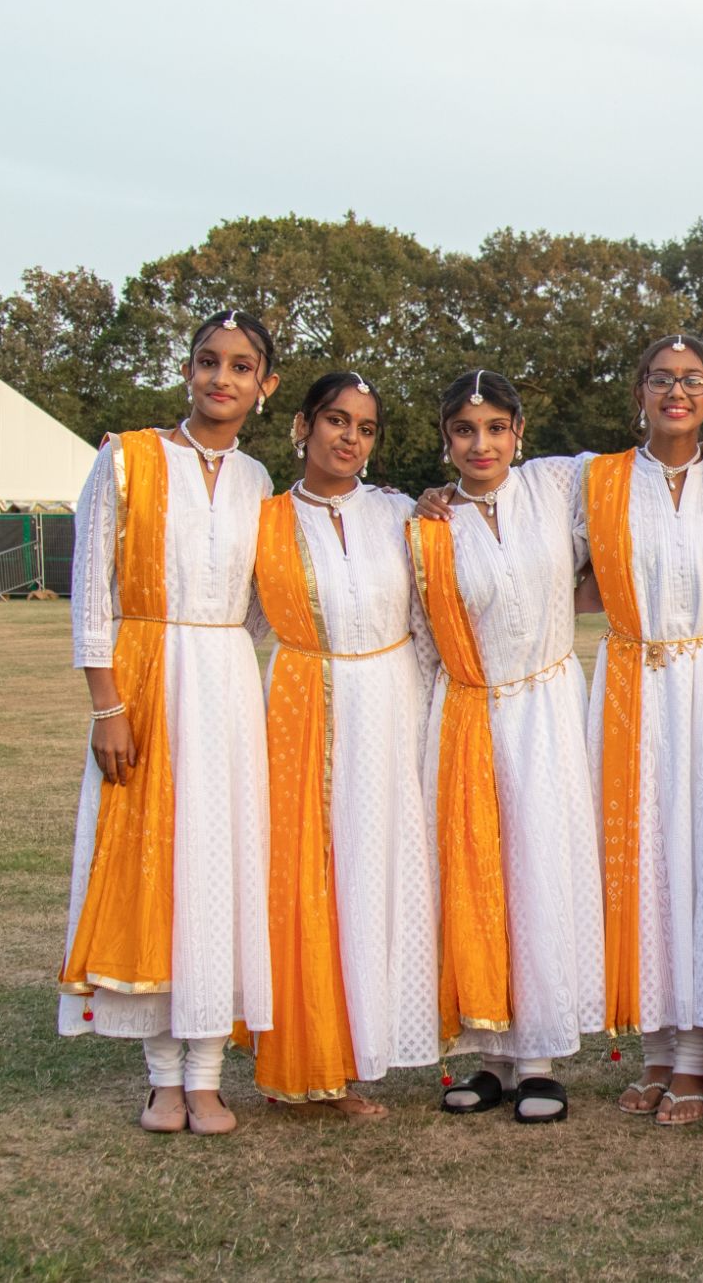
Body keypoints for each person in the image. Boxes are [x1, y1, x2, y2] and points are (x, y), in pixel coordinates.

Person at [57, 309, 280, 1137]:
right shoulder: (127, 458)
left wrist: (221, 654)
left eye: (241, 365)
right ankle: (161, 1078)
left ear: (265, 384)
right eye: (208, 361)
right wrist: (108, 703)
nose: (222, 378)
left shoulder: (259, 480)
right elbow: (91, 590)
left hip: (227, 689)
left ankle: (210, 1073)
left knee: (220, 869)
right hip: (144, 682)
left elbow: (265, 602)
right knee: (153, 867)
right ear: (188, 369)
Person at [241, 371, 437, 1119]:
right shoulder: (262, 521)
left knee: (379, 876)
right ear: (301, 425)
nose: (349, 438)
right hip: (303, 707)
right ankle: (308, 1064)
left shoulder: (403, 513)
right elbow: (236, 621)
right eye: (335, 420)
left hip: (392, 706)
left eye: (365, 427)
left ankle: (363, 1050)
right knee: (309, 879)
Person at [411, 369, 604, 1126]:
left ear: (519, 432)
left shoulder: (557, 485)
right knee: (475, 870)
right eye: (465, 429)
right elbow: (425, 638)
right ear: (445, 439)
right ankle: (489, 1054)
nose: (481, 443)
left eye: (496, 427)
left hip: (549, 708)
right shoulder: (426, 524)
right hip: (469, 711)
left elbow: (646, 465)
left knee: (541, 870)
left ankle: (540, 1060)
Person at [581, 334, 703, 1128]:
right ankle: (654, 1048)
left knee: (702, 861)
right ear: (638, 391)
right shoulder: (594, 479)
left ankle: (695, 1058)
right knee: (641, 862)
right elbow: (498, 491)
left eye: (693, 382)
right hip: (628, 688)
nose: (675, 393)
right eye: (661, 379)